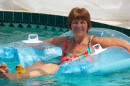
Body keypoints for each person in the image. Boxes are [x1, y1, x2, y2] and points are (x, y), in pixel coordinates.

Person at [0, 7, 130, 80]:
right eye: (75, 22)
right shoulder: (65, 41)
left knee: (50, 67)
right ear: (70, 25)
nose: (79, 26)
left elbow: (123, 43)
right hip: (60, 71)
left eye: (82, 22)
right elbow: (42, 44)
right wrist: (22, 47)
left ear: (88, 25)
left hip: (73, 73)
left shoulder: (94, 41)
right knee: (38, 64)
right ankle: (14, 74)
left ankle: (13, 77)